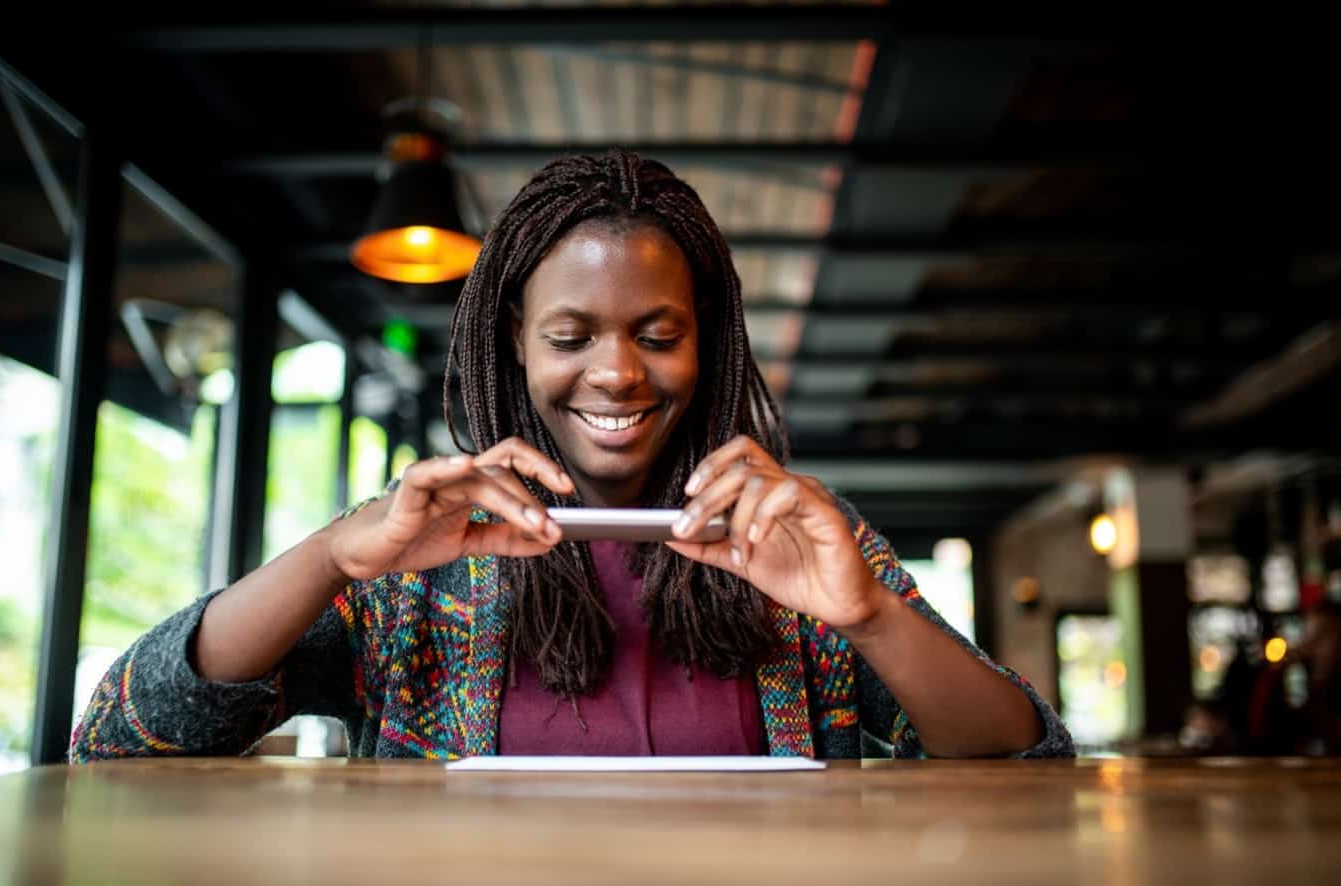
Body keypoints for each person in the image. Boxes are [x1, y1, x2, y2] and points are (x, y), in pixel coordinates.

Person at [71, 151, 1073, 762]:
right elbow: (125, 732)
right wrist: (335, 554)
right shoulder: (422, 545)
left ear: (706, 338)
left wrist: (867, 612)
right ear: (513, 337)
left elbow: (1028, 755)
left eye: (656, 332)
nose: (616, 375)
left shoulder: (792, 535)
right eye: (569, 337)